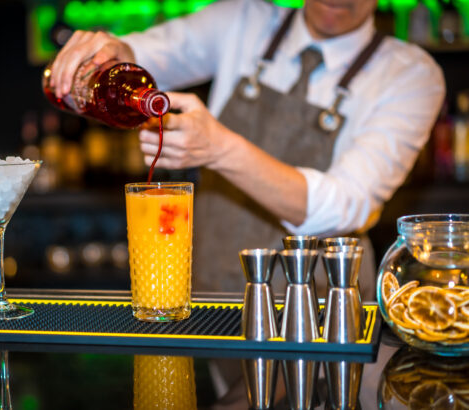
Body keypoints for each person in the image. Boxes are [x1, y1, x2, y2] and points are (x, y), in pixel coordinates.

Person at [47, 0, 445, 301]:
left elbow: (348, 206)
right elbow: (143, 58)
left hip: (327, 317)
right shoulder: (243, 20)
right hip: (214, 303)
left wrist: (220, 148)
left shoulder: (410, 73)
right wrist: (111, 54)